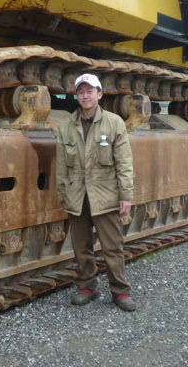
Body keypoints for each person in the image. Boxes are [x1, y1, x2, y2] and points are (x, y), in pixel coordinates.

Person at [56, 73, 136, 311]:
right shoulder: (66, 127)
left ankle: (120, 292)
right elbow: (61, 166)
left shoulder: (114, 123)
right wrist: (63, 194)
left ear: (99, 94)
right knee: (81, 247)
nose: (85, 96)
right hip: (78, 196)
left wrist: (126, 196)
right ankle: (87, 287)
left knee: (112, 247)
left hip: (105, 195)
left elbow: (124, 162)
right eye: (81, 92)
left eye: (90, 91)